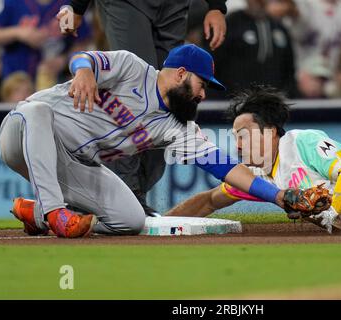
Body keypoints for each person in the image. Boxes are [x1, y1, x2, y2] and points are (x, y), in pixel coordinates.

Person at [0, 44, 297, 238]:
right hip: (22, 132)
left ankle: (38, 213)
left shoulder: (176, 126)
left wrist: (277, 196)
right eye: (202, 84)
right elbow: (84, 58)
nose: (203, 94)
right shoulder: (132, 68)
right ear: (181, 74)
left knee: (130, 220)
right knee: (37, 110)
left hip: (71, 162)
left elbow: (224, 167)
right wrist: (85, 71)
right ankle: (54, 212)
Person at [57, 0, 228, 216]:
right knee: (139, 91)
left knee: (174, 102)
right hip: (127, 3)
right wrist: (77, 6)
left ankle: (124, 199)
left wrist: (216, 6)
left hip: (174, 5)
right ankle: (128, 195)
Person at [166, 85, 341, 232]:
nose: (238, 145)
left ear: (271, 131)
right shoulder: (253, 178)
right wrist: (160, 224)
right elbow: (209, 200)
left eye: (243, 135)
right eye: (236, 137)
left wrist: (331, 212)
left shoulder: (303, 143)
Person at [207, 0, 298, 100]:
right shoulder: (232, 24)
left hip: (273, 103)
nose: (258, 2)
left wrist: (288, 96)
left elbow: (289, 69)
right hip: (234, 101)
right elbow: (214, 63)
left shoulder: (279, 28)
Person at [0, 0, 91, 80]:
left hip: (56, 80)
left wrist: (64, 60)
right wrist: (18, 32)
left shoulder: (69, 4)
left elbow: (82, 41)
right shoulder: (13, 2)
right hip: (14, 80)